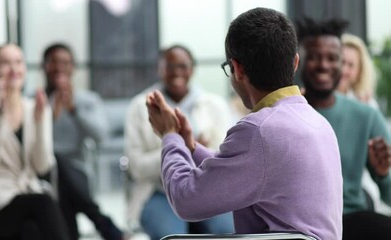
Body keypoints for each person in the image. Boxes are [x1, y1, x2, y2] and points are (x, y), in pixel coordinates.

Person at [146, 8, 342, 240]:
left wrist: (170, 136)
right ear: (295, 63)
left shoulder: (259, 130)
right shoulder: (318, 122)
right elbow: (251, 170)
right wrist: (190, 147)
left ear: (237, 69)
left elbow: (185, 200)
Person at [124, 45, 234, 240]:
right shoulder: (140, 106)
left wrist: (188, 147)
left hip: (207, 190)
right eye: (169, 66)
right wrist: (177, 146)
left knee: (227, 232)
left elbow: (225, 159)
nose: (176, 72)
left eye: (183, 66)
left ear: (192, 69)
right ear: (159, 69)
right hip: (159, 193)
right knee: (172, 236)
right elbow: (136, 167)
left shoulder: (215, 105)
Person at [296, 17, 391, 240]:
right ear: (297, 62)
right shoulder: (283, 114)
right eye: (314, 57)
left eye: (332, 58)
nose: (324, 65)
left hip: (350, 218)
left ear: (341, 63)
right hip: (297, 223)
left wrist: (384, 173)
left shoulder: (366, 115)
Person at [0, 43, 69, 240]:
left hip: (26, 199)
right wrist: (1, 115)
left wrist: (39, 123)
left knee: (31, 230)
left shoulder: (36, 107)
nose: (13, 69)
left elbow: (42, 166)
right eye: (5, 63)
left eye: (18, 62)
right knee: (44, 203)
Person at [42, 43, 123, 240]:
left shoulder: (87, 100)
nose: (60, 67)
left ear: (73, 67)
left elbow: (101, 136)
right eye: (54, 62)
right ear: (44, 66)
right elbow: (30, 142)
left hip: (76, 170)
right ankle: (102, 222)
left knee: (61, 173)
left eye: (65, 62)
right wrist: (49, 113)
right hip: (41, 171)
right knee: (54, 162)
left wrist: (74, 110)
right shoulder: (34, 101)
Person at [337, 33, 379, 108]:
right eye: (341, 62)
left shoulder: (367, 104)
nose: (343, 70)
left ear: (360, 71)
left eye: (351, 65)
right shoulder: (314, 99)